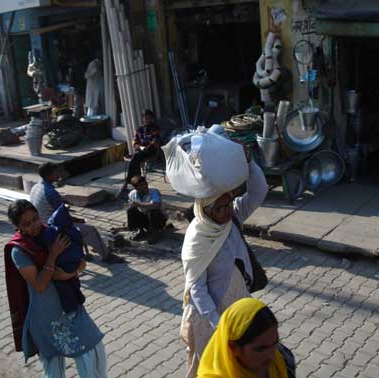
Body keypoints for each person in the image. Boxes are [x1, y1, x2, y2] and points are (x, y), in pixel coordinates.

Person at [180, 150, 268, 377]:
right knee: (210, 367)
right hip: (209, 315)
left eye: (229, 204)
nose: (228, 210)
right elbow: (197, 288)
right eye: (220, 208)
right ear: (206, 210)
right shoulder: (197, 237)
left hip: (238, 305)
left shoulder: (233, 219)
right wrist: (219, 324)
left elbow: (259, 192)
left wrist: (249, 162)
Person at [4, 200, 107, 377]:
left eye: (35, 219)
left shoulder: (53, 233)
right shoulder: (19, 250)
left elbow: (80, 263)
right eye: (27, 224)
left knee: (92, 351)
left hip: (70, 305)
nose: (35, 225)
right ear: (17, 226)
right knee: (53, 367)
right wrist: (53, 255)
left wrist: (68, 274)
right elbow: (39, 285)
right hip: (46, 315)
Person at [30, 162, 117, 263]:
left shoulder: (36, 187)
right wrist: (78, 220)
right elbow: (63, 217)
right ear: (48, 175)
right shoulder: (50, 192)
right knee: (90, 230)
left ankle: (88, 250)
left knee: (80, 226)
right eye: (56, 172)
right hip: (53, 229)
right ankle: (106, 256)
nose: (59, 174)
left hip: (42, 224)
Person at [198, 297, 296, 378]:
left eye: (275, 343)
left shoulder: (284, 358)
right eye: (261, 349)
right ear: (233, 347)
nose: (272, 355)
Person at [119, 109, 162, 198]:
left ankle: (129, 182)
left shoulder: (155, 128)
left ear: (152, 118)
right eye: (146, 118)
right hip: (140, 151)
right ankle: (138, 182)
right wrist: (139, 147)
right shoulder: (139, 129)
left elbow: (155, 141)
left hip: (151, 151)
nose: (147, 120)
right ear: (143, 119)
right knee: (136, 158)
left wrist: (147, 147)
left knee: (135, 157)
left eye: (149, 118)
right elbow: (134, 142)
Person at [127, 175, 167, 244]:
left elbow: (157, 205)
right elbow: (131, 204)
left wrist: (139, 204)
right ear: (136, 188)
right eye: (141, 185)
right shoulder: (132, 194)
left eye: (145, 184)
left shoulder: (153, 191)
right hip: (145, 218)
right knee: (130, 210)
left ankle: (156, 233)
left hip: (159, 219)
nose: (145, 186)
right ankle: (140, 230)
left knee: (153, 211)